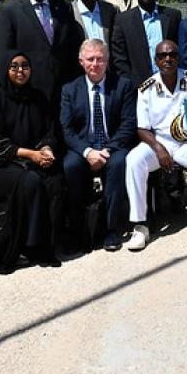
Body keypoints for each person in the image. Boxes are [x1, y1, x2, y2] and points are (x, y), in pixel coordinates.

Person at [0, 51, 65, 270]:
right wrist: (32, 155)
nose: (20, 71)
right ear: (5, 70)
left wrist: (46, 149)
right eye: (14, 66)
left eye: (25, 66)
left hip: (31, 157)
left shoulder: (38, 97)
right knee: (30, 182)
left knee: (54, 179)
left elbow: (48, 131)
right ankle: (23, 245)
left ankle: (44, 246)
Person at [125, 41, 187, 251]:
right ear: (156, 60)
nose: (167, 59)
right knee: (134, 160)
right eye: (162, 56)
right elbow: (142, 128)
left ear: (178, 57)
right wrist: (157, 148)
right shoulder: (147, 88)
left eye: (172, 55)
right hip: (159, 142)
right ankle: (140, 225)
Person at [59, 40, 136, 251]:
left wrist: (107, 150)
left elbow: (128, 124)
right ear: (81, 62)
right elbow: (66, 129)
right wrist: (88, 151)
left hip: (113, 145)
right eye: (90, 59)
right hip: (83, 146)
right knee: (70, 166)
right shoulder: (69, 90)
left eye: (100, 59)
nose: (95, 64)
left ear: (107, 61)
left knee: (118, 164)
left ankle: (110, 229)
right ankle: (78, 230)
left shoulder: (123, 85)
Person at [0, 0, 84, 106]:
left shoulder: (62, 6)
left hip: (61, 93)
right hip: (27, 93)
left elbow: (71, 48)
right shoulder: (9, 10)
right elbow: (4, 57)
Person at [110, 0, 182, 88]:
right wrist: (130, 83)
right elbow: (119, 57)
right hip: (138, 87)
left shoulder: (173, 16)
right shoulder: (123, 20)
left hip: (171, 83)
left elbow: (179, 48)